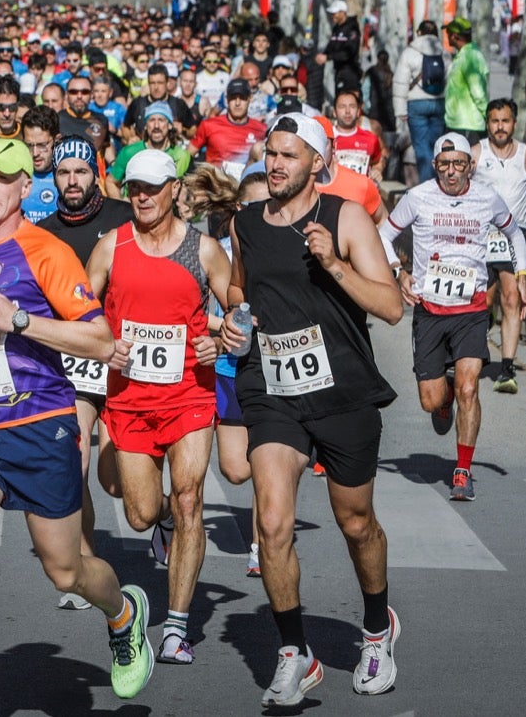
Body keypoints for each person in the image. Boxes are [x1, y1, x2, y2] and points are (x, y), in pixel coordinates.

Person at [0, 137, 151, 713]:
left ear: (27, 187)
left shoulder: (45, 251)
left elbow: (99, 341)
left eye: (3, 177)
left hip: (38, 424)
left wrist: (18, 318)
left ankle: (124, 612)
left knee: (65, 571)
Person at [219, 113, 405, 708]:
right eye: (270, 153)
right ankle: (295, 652)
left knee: (356, 523)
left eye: (289, 155)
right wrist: (234, 322)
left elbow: (393, 307)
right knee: (272, 522)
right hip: (272, 387)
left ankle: (377, 629)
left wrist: (336, 266)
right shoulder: (244, 221)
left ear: (318, 163)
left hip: (343, 391)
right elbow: (240, 290)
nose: (275, 164)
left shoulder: (344, 217)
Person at [86, 149, 230, 665]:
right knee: (142, 512)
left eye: (151, 187)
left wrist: (225, 339)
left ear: (174, 190)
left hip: (190, 392)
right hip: (129, 399)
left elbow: (240, 309)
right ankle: (165, 519)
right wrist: (104, 346)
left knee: (191, 497)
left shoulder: (205, 250)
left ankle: (176, 626)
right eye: (134, 187)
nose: (142, 196)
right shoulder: (111, 247)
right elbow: (82, 314)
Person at [381, 133, 526, 502]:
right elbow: (383, 235)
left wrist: (521, 275)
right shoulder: (418, 197)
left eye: (458, 164)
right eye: (444, 165)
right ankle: (442, 397)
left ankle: (462, 470)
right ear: (435, 167)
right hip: (429, 309)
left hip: (472, 309)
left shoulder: (486, 198)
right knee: (431, 401)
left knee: (469, 388)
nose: (451, 172)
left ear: (470, 166)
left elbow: (515, 234)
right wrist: (399, 271)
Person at [184, 161, 270, 577]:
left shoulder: (293, 249)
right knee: (236, 469)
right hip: (225, 368)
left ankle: (262, 544)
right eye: (253, 207)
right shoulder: (217, 250)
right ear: (238, 209)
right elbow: (200, 313)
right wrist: (231, 324)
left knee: (269, 459)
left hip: (272, 371)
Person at [471, 101, 526, 394]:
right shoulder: (477, 153)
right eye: (494, 121)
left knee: (512, 298)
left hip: (516, 236)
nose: (500, 126)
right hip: (482, 235)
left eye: (505, 121)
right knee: (483, 299)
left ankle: (506, 369)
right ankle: (483, 328)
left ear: (514, 123)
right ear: (487, 124)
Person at [393, 19, 449, 183]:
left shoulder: (410, 52)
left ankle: (427, 184)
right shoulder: (443, 52)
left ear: (419, 32)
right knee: (435, 146)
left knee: (421, 147)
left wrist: (400, 110)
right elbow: (450, 78)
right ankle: (437, 183)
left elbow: (400, 82)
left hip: (416, 104)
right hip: (439, 103)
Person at [189, 79, 266, 179]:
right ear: (226, 100)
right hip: (216, 188)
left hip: (246, 188)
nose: (237, 103)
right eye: (233, 98)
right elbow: (187, 155)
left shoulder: (261, 129)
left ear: (249, 99)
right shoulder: (209, 125)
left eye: (242, 98)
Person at [110, 102, 192, 186]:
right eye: (152, 120)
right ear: (145, 126)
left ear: (170, 125)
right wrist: (122, 199)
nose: (156, 126)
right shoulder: (129, 152)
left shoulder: (182, 156)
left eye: (161, 120)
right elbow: (110, 182)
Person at [442, 18, 489, 144]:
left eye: (448, 34)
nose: (447, 38)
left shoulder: (470, 56)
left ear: (455, 36)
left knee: (467, 163)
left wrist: (489, 115)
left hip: (468, 125)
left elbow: (478, 91)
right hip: (458, 123)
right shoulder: (464, 54)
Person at [325, 87, 384, 181]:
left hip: (361, 193)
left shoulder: (371, 139)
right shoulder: (326, 139)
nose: (347, 111)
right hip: (333, 192)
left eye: (352, 106)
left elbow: (378, 161)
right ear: (334, 112)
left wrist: (377, 170)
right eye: (342, 107)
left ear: (358, 112)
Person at [20, 106, 63, 224]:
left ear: (57, 139)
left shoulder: (70, 176)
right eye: (29, 145)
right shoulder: (15, 175)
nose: (35, 153)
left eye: (42, 145)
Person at [319, 1, 362, 93]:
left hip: (350, 71)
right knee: (339, 100)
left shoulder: (352, 29)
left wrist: (328, 57)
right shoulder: (336, 29)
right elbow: (331, 46)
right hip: (338, 71)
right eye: (332, 13)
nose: (333, 16)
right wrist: (323, 55)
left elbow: (348, 53)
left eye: (335, 13)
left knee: (351, 99)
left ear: (343, 13)